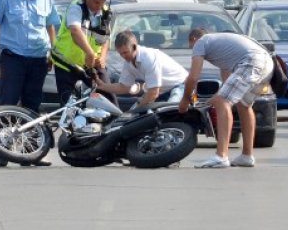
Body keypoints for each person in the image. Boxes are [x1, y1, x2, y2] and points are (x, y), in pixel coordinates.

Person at [0, 0, 60, 167]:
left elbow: (51, 26)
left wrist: (54, 53)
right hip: (13, 57)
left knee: (32, 104)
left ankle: (31, 152)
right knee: (8, 102)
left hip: (38, 58)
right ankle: (2, 150)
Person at [179, 28, 273, 168]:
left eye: (190, 46)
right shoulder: (224, 48)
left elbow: (193, 77)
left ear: (193, 39)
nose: (192, 50)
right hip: (267, 64)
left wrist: (185, 100)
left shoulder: (201, 42)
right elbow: (227, 82)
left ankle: (221, 156)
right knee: (244, 105)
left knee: (222, 101)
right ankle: (247, 156)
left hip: (252, 61)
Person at [51, 0, 115, 105]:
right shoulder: (77, 7)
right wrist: (90, 53)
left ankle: (111, 124)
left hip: (91, 63)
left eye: (102, 3)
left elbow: (106, 37)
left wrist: (102, 57)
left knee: (109, 98)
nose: (99, 6)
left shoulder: (106, 12)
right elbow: (75, 31)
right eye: (96, 2)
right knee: (68, 105)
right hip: (67, 62)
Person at [95, 30, 188, 107]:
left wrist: (137, 110)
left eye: (126, 52)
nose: (123, 56)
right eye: (121, 54)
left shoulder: (148, 58)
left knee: (168, 111)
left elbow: (153, 93)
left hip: (180, 85)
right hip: (161, 90)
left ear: (135, 47)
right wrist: (102, 86)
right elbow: (124, 87)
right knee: (130, 118)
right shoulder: (128, 62)